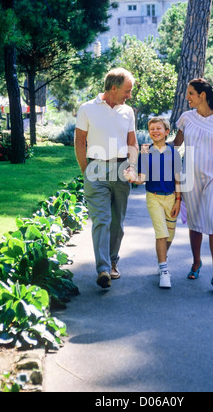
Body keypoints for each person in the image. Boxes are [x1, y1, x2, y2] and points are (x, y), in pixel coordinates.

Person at [74, 68, 138, 289]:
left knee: (117, 222)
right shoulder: (87, 109)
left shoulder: (128, 112)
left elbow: (132, 142)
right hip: (96, 168)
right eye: (127, 90)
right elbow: (80, 142)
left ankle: (112, 261)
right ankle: (102, 269)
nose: (129, 95)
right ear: (114, 87)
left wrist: (132, 166)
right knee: (101, 219)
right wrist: (86, 171)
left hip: (121, 168)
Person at [173, 78, 213, 295]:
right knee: (195, 222)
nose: (187, 97)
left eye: (191, 93)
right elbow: (176, 144)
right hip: (191, 176)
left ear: (202, 95)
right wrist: (155, 148)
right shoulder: (186, 118)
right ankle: (196, 262)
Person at [125, 117, 182, 289]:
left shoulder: (174, 152)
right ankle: (164, 271)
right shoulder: (145, 152)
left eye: (159, 128)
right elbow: (142, 178)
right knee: (161, 233)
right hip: (153, 197)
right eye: (152, 129)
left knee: (169, 236)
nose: (155, 131)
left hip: (171, 197)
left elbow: (178, 179)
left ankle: (162, 258)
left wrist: (178, 200)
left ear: (166, 132)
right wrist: (133, 179)